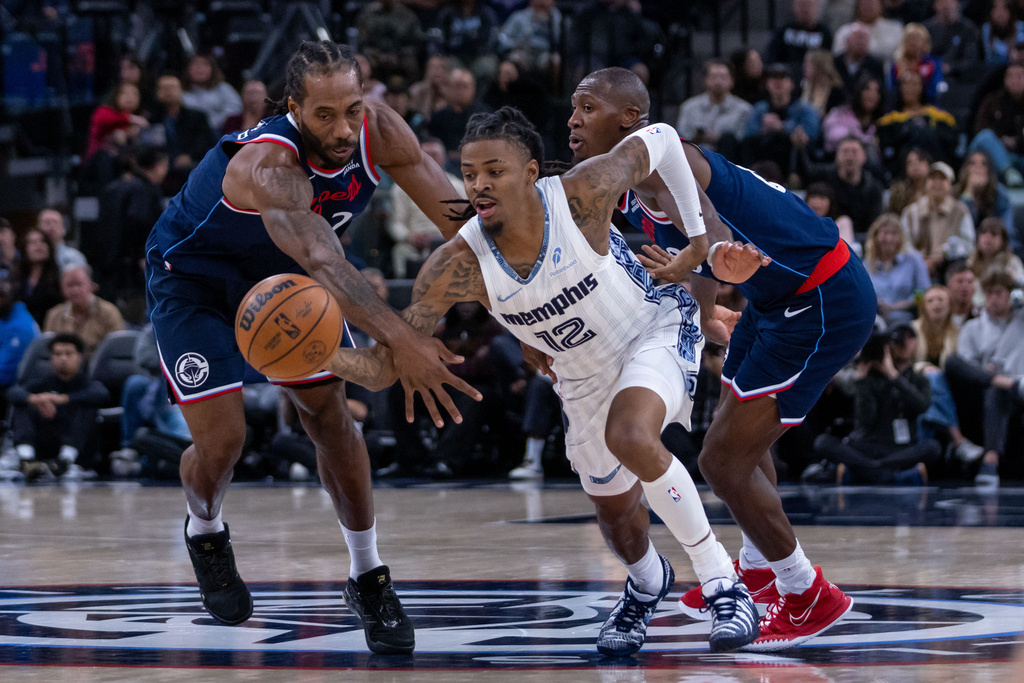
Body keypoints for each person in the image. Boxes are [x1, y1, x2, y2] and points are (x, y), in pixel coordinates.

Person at [326, 105, 762, 655]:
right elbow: (390, 364)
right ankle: (647, 581)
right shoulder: (455, 265)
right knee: (616, 516)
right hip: (579, 377)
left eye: (495, 171)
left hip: (650, 329)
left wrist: (697, 240)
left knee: (630, 435)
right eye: (469, 174)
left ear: (531, 172)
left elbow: (665, 138)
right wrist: (318, 358)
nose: (479, 185)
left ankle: (724, 584)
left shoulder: (581, 194)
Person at [144, 40, 482, 653]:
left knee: (330, 418)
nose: (343, 128)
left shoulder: (381, 131)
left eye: (351, 109)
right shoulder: (270, 165)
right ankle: (205, 529)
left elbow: (464, 228)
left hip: (286, 285)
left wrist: (531, 319)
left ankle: (367, 574)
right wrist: (404, 339)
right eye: (325, 115)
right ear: (294, 108)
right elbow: (325, 259)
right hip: (196, 283)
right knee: (223, 443)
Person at [565, 67, 872, 651]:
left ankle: (808, 593)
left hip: (822, 297)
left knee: (721, 461)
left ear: (629, 119)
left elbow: (708, 228)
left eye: (587, 107)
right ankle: (756, 572)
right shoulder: (633, 178)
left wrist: (711, 258)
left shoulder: (664, 159)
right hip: (776, 298)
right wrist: (707, 310)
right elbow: (698, 244)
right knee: (737, 443)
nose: (573, 119)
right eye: (573, 108)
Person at [813, 324, 940, 484]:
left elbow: (922, 406)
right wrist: (863, 381)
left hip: (900, 448)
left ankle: (869, 470)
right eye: (898, 340)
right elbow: (866, 419)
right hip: (867, 446)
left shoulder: (919, 380)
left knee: (933, 447)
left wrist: (894, 376)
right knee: (822, 442)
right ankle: (887, 473)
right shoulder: (870, 379)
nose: (904, 343)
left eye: (909, 337)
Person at [945, 269, 1024, 487]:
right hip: (989, 389)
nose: (993, 298)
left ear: (1010, 294)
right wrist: (985, 372)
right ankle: (991, 458)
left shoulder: (1021, 319)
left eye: (999, 293)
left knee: (998, 387)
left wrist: (1016, 281)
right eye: (989, 293)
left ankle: (990, 462)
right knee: (954, 363)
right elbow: (964, 368)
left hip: (1019, 388)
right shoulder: (973, 327)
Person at [6, 333, 109, 481]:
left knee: (87, 405)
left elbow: (102, 394)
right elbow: (13, 392)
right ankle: (27, 460)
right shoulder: (43, 382)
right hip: (46, 438)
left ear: (79, 357)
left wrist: (64, 399)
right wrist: (36, 399)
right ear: (51, 357)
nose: (63, 358)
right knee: (24, 403)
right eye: (58, 354)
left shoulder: (86, 383)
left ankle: (65, 461)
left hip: (77, 445)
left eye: (68, 354)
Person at [387, 138, 466, 277]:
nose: (431, 159)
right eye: (426, 155)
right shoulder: (401, 187)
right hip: (414, 244)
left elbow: (467, 223)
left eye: (434, 155)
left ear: (444, 158)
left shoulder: (458, 186)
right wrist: (409, 237)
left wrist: (449, 239)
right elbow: (396, 223)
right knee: (400, 251)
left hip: (449, 243)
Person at [900, 161, 976, 277]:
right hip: (915, 267)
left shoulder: (960, 211)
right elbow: (904, 242)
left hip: (950, 267)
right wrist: (920, 260)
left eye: (942, 179)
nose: (937, 183)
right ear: (926, 183)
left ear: (950, 184)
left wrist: (942, 253)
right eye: (933, 179)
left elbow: (968, 245)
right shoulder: (911, 212)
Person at [864, 213, 931, 325]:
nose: (889, 239)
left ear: (901, 237)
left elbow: (923, 291)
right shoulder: (866, 265)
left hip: (905, 318)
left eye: (894, 233)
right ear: (875, 236)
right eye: (885, 233)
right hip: (875, 320)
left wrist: (900, 305)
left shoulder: (913, 260)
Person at [676, 59, 753, 157]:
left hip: (728, 159)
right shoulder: (688, 107)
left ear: (732, 81)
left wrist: (717, 138)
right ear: (705, 80)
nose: (718, 82)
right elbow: (681, 138)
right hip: (693, 157)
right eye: (714, 77)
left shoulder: (744, 109)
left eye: (723, 77)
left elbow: (742, 141)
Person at [43, 265, 125, 354]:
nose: (75, 290)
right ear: (62, 289)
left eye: (79, 284)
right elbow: (48, 351)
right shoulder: (54, 315)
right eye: (69, 285)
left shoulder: (109, 312)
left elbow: (117, 348)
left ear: (92, 285)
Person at [968, 60, 1024, 188]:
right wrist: (1002, 140)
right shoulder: (992, 101)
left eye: (1019, 76)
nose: (1014, 80)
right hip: (996, 157)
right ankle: (1008, 171)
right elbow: (980, 130)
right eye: (1010, 76)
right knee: (985, 136)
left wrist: (1018, 141)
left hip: (1021, 156)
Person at [967, 217, 1024, 307]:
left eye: (993, 234)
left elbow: (1021, 286)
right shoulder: (969, 262)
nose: (988, 237)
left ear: (1003, 240)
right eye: (984, 233)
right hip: (974, 307)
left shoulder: (1012, 262)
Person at [180, 54, 242, 134]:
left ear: (213, 69)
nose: (199, 69)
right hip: (188, 132)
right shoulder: (180, 90)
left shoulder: (223, 88)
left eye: (205, 65)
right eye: (195, 64)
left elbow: (235, 108)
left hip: (219, 130)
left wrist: (213, 122)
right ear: (187, 69)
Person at [18, 229, 63, 327]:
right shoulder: (16, 277)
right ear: (24, 248)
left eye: (43, 241)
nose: (39, 246)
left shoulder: (59, 277)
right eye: (33, 242)